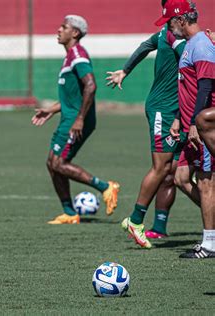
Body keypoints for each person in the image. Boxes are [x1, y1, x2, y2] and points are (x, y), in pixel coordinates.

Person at [106, 0, 186, 247]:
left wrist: (125, 71)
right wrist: (125, 70)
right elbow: (188, 70)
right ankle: (136, 220)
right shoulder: (174, 36)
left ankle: (160, 227)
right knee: (162, 167)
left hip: (179, 110)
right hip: (164, 110)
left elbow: (143, 47)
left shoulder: (174, 34)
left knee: (174, 173)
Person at [31, 15, 120, 225]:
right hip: (68, 118)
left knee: (58, 163)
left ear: (75, 33)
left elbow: (91, 85)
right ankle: (70, 213)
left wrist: (80, 118)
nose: (59, 29)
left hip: (75, 121)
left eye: (64, 27)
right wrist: (51, 110)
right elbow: (73, 96)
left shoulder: (78, 54)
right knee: (52, 164)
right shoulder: (70, 56)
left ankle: (106, 187)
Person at [162, 0, 215, 258]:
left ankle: (209, 244)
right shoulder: (191, 45)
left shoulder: (201, 43)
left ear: (181, 19)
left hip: (203, 128)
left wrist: (195, 123)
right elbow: (187, 87)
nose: (171, 30)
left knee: (206, 183)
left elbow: (205, 85)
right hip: (189, 127)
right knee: (181, 177)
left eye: (171, 23)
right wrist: (178, 119)